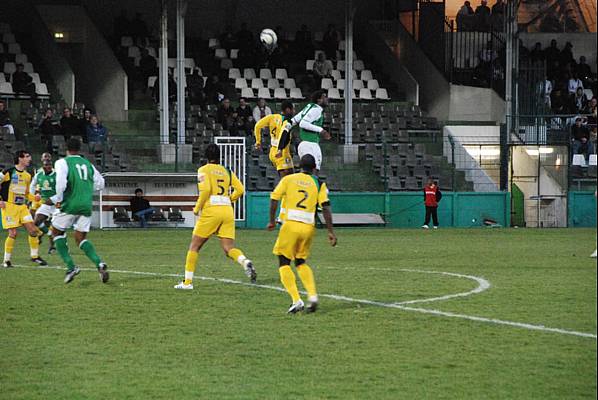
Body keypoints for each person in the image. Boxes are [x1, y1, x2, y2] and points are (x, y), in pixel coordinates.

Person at [174, 144, 256, 290]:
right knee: (228, 248)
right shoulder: (227, 171)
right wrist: (230, 199)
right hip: (227, 210)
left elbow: (205, 190)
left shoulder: (203, 170)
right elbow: (241, 189)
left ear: (206, 156)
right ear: (219, 157)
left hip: (211, 210)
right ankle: (244, 261)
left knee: (194, 246)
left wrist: (197, 207)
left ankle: (187, 283)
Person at [267, 154, 337, 313]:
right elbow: (326, 207)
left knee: (284, 263)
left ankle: (296, 300)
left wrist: (272, 220)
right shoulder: (319, 183)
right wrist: (330, 232)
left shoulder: (288, 179)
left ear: (299, 166)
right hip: (308, 227)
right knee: (300, 262)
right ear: (314, 169)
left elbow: (274, 198)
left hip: (291, 224)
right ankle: (312, 297)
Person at [49, 138, 109, 284]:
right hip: (85, 205)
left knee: (55, 232)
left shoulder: (62, 162)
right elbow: (101, 183)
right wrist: (86, 189)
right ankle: (99, 263)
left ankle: (71, 267)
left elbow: (61, 183)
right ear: (79, 149)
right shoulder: (87, 163)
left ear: (66, 149)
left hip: (70, 204)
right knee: (80, 238)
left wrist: (58, 199)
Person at [1, 150, 47, 268]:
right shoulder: (7, 172)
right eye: (27, 157)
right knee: (13, 233)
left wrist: (35, 198)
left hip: (22, 207)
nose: (29, 159)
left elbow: (26, 193)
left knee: (33, 230)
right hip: (9, 206)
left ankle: (34, 256)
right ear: (20, 159)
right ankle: (6, 260)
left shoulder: (27, 175)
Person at [287, 90, 330, 173]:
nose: (327, 99)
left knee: (306, 172)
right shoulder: (316, 109)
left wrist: (285, 128)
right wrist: (321, 130)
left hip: (303, 144)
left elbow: (294, 120)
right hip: (310, 144)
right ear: (319, 100)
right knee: (314, 171)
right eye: (324, 97)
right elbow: (303, 123)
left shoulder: (309, 107)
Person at [29, 158, 57, 254]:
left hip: (56, 205)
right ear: (43, 166)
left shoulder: (57, 176)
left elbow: (63, 189)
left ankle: (53, 247)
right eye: (46, 165)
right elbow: (32, 185)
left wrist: (56, 199)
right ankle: (41, 234)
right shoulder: (39, 175)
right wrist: (32, 196)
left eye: (50, 165)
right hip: (45, 204)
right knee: (35, 222)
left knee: (55, 227)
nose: (48, 167)